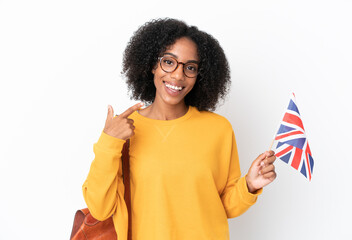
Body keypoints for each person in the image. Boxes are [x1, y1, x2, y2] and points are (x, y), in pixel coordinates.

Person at [82, 18, 276, 240]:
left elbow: (225, 207)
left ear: (199, 76)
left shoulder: (218, 129)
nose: (177, 75)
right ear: (151, 65)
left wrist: (249, 185)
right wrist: (108, 142)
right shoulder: (122, 130)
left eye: (190, 67)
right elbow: (100, 209)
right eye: (168, 62)